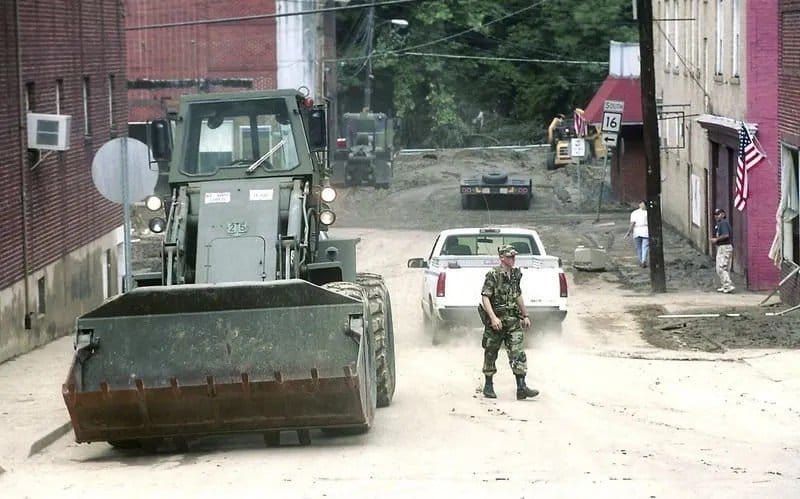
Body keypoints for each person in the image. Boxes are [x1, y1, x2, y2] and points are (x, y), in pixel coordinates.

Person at [479, 244, 539, 400]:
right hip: (497, 321)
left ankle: (521, 387)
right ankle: (488, 385)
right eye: (510, 256)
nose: (513, 259)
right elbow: (485, 296)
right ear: (502, 258)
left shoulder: (515, 275)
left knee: (518, 353)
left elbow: (517, 294)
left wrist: (525, 315)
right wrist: (493, 318)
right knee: (491, 352)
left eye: (514, 256)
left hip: (512, 320)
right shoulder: (493, 275)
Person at [711, 208, 734, 293]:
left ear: (723, 215)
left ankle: (728, 285)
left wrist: (716, 239)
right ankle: (725, 285)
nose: (717, 216)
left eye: (719, 214)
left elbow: (726, 235)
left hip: (725, 247)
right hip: (723, 247)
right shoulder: (720, 224)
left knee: (721, 267)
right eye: (716, 214)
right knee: (724, 268)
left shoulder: (723, 223)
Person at [624, 201, 649, 267]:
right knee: (645, 247)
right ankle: (643, 260)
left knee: (639, 248)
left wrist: (629, 232)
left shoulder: (634, 213)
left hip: (637, 230)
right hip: (645, 230)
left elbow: (632, 223)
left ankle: (642, 261)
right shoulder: (648, 212)